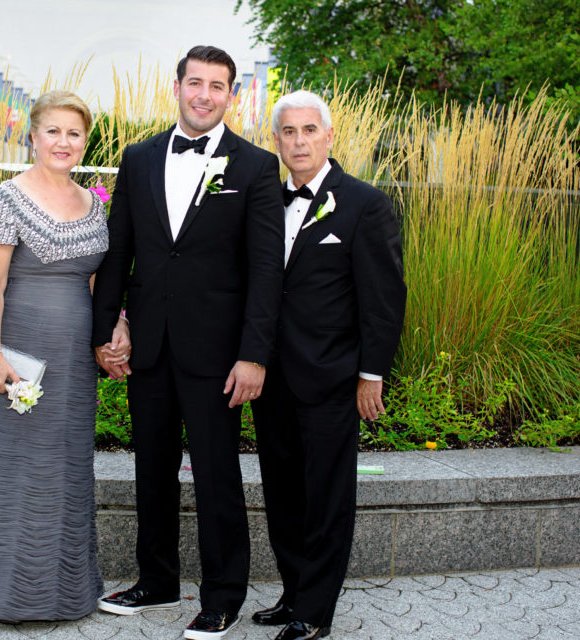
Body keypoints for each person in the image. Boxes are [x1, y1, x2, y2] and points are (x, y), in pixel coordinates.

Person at [92, 45, 284, 639]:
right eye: (194, 82)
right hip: (148, 345)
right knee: (151, 467)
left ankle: (223, 594)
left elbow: (265, 271)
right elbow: (117, 251)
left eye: (217, 86)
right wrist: (105, 331)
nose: (204, 94)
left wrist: (254, 354)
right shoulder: (139, 156)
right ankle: (157, 581)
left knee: (216, 474)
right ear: (177, 86)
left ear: (231, 95)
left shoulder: (254, 166)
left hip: (218, 354)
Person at [0, 90, 127, 622]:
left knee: (66, 468)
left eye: (74, 133)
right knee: (14, 469)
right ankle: (3, 595)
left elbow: (97, 284)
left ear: (85, 141)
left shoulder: (95, 204)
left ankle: (65, 592)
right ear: (33, 136)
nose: (63, 142)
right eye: (53, 131)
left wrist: (117, 328)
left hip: (74, 364)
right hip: (20, 355)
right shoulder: (7, 198)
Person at [249, 90, 406, 640]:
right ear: (276, 140)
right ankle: (294, 594)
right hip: (269, 378)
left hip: (333, 378)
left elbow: (384, 299)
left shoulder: (365, 203)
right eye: (288, 132)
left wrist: (372, 373)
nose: (299, 141)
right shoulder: (262, 198)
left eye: (309, 130)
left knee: (326, 499)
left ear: (329, 135)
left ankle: (315, 612)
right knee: (283, 493)